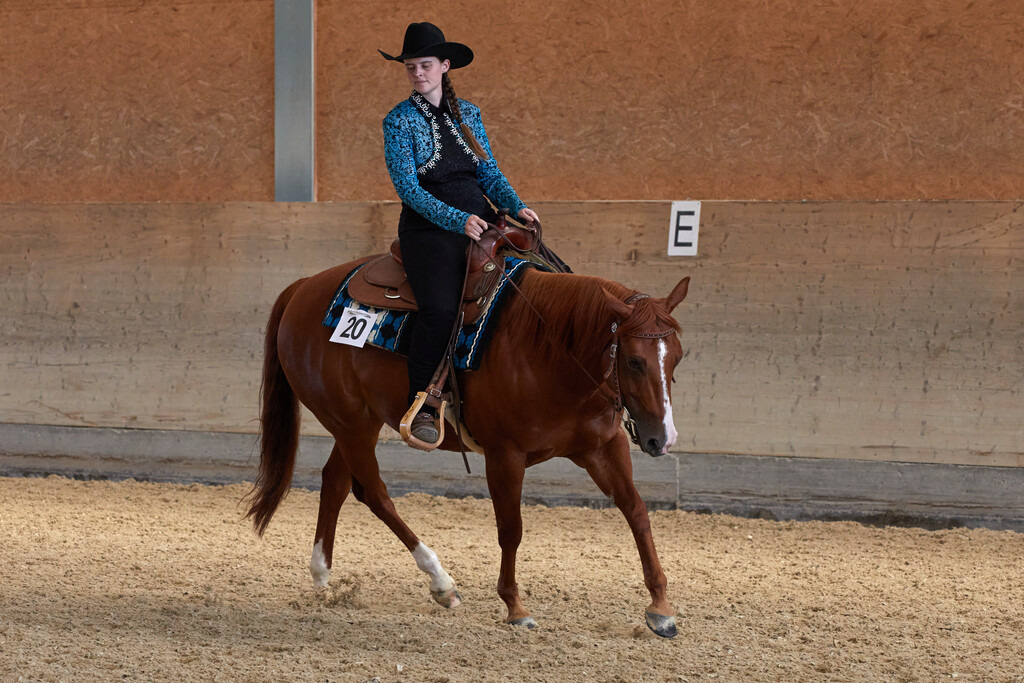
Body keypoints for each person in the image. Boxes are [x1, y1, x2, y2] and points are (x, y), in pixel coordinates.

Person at [380, 22, 539, 445]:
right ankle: (422, 406)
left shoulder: (468, 113)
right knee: (440, 310)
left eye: (425, 65)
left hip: (482, 222)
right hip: (428, 230)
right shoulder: (398, 121)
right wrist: (456, 220)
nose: (417, 73)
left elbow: (487, 170)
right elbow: (408, 189)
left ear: (444, 65)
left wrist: (514, 204)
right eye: (411, 67)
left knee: (540, 278)